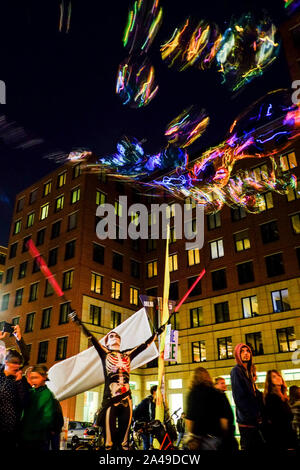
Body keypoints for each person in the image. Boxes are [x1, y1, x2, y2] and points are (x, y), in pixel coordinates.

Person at [69, 310, 164, 450]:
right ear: (107, 341)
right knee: (109, 441)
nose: (115, 337)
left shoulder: (127, 354)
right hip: (111, 398)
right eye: (111, 335)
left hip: (127, 398)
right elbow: (91, 337)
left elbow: (144, 345)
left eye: (116, 335)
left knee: (125, 441)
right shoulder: (105, 353)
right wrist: (78, 321)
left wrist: (157, 333)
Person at [185, 367, 229, 451]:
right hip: (215, 437)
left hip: (199, 438)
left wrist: (192, 434)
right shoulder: (216, 393)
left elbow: (189, 420)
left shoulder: (192, 394)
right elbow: (224, 420)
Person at [230, 343, 265, 451]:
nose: (246, 353)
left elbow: (254, 394)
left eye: (248, 351)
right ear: (237, 354)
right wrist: (252, 415)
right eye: (242, 351)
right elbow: (239, 398)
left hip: (254, 420)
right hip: (247, 422)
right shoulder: (236, 371)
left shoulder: (248, 372)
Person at [0, 326, 30, 449]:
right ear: (6, 363)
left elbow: (24, 402)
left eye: (19, 364)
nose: (17, 367)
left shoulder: (19, 381)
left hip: (10, 430)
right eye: (15, 363)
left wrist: (19, 338)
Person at [20, 365, 58, 450]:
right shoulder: (32, 391)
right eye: (32, 378)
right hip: (26, 436)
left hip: (36, 438)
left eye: (36, 377)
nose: (34, 380)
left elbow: (47, 418)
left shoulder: (46, 394)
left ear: (44, 377)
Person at [263, 370, 297, 451]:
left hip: (288, 436)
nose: (278, 378)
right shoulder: (271, 397)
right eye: (274, 377)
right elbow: (277, 421)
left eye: (278, 375)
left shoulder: (283, 396)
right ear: (270, 381)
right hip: (281, 439)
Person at [214, 377, 238, 452]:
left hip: (227, 433)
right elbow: (222, 414)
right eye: (222, 383)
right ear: (215, 385)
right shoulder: (218, 396)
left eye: (224, 383)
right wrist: (226, 432)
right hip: (225, 435)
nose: (225, 385)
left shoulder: (222, 395)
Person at [133, 385, 157, 450]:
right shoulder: (147, 401)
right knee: (147, 445)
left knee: (149, 445)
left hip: (151, 427)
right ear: (154, 392)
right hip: (145, 426)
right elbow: (135, 412)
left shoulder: (155, 402)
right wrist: (139, 423)